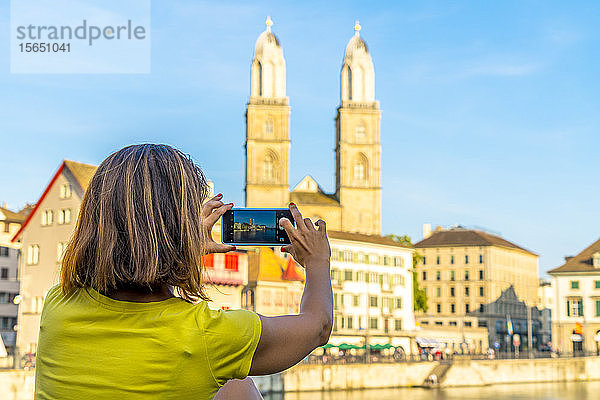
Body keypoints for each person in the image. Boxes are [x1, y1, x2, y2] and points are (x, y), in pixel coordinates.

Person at [34, 144, 333, 399]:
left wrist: (180, 250)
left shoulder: (57, 304)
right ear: (180, 229)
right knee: (236, 383)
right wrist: (317, 262)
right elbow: (318, 326)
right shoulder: (207, 336)